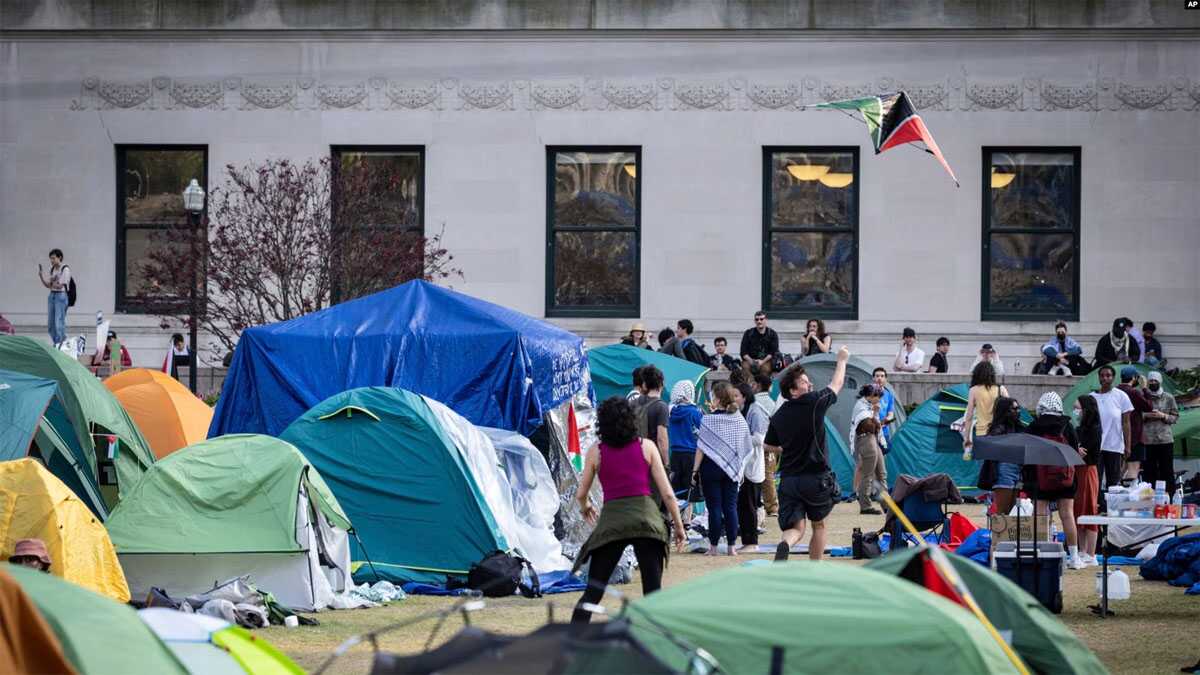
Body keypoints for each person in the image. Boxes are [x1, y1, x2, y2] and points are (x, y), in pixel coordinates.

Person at [571, 397, 685, 624]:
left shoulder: (596, 451)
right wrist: (679, 527)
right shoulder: (647, 447)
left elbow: (580, 494)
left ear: (601, 423)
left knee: (594, 591)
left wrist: (586, 507)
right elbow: (668, 494)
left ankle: (573, 642)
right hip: (647, 521)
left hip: (613, 522)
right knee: (653, 594)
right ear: (632, 420)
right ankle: (654, 643)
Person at [764, 345, 850, 562]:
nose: (810, 383)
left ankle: (785, 544)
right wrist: (841, 360)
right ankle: (814, 568)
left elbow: (768, 445)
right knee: (818, 525)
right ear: (793, 390)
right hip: (815, 478)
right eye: (804, 381)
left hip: (790, 480)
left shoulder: (779, 415)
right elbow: (837, 384)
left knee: (796, 527)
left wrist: (786, 447)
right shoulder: (813, 402)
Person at [691, 383, 754, 556]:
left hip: (710, 469)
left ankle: (713, 547)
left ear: (717, 399)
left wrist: (694, 471)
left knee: (714, 508)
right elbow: (746, 446)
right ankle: (732, 547)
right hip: (732, 469)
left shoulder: (708, 420)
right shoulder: (739, 419)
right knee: (731, 507)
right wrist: (740, 468)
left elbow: (701, 448)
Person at [1026, 392, 1085, 570]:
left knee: (1040, 515)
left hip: (1039, 477)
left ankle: (1040, 552)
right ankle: (1074, 557)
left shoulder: (1034, 426)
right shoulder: (1066, 425)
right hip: (1065, 477)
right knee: (1067, 515)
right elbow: (1074, 451)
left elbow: (1027, 452)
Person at [961, 361, 1010, 508]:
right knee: (1000, 469)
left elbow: (969, 416)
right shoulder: (1001, 389)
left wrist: (966, 438)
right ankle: (999, 499)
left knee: (986, 469)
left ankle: (989, 503)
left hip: (982, 434)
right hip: (1000, 434)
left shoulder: (974, 390)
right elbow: (1013, 408)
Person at [1091, 365, 1134, 501]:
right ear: (1098, 377)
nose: (1105, 378)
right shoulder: (1091, 397)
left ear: (1113, 378)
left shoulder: (1121, 396)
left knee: (1114, 483)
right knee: (1095, 481)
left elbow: (1126, 423)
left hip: (1114, 446)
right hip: (1096, 447)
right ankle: (1096, 508)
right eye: (1102, 375)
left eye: (1108, 375)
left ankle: (1112, 511)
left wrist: (1128, 446)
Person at [737, 382, 769, 550]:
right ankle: (746, 540)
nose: (734, 399)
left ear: (744, 396)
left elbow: (760, 439)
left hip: (752, 464)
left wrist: (739, 439)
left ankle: (752, 542)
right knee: (742, 504)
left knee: (749, 504)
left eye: (736, 396)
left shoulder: (755, 411)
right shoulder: (741, 410)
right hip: (742, 465)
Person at [1073, 394, 1103, 567]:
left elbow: (1085, 452)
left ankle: (1091, 553)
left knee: (1090, 510)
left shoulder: (1094, 428)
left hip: (1088, 471)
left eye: (1078, 408)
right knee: (1078, 511)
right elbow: (1077, 449)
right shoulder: (1079, 429)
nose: (1076, 411)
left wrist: (1077, 449)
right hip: (1079, 471)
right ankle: (1082, 550)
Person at [850, 384, 887, 514]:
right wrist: (876, 413)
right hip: (866, 440)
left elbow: (875, 427)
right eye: (879, 397)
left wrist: (876, 417)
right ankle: (865, 505)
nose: (880, 400)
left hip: (873, 440)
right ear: (871, 396)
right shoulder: (861, 407)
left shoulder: (868, 407)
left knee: (881, 473)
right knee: (868, 474)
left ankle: (886, 504)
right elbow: (870, 426)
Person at [1141, 371, 1179, 494]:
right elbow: (1135, 416)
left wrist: (1163, 415)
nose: (1152, 382)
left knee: (1167, 471)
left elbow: (1175, 417)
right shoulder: (1142, 396)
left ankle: (1170, 497)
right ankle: (1149, 499)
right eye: (1150, 380)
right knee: (1148, 471)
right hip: (1148, 440)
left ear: (1160, 381)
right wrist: (1146, 415)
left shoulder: (1168, 397)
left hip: (1165, 440)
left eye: (1155, 380)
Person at [667, 380, 705, 499]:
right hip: (691, 454)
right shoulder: (695, 412)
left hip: (675, 453)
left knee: (675, 487)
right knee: (690, 488)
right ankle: (688, 517)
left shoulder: (671, 412)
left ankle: (675, 515)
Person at [1117, 366, 1152, 481]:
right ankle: (1129, 494)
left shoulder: (1115, 391)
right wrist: (1145, 388)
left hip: (1118, 436)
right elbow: (1148, 406)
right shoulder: (1133, 392)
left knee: (1122, 468)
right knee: (1133, 468)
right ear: (1133, 377)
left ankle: (1116, 491)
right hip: (1135, 436)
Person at [753, 374, 780, 517]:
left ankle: (767, 504)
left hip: (756, 442)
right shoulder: (771, 402)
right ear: (770, 386)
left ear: (757, 385)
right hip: (770, 443)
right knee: (769, 474)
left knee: (762, 474)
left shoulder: (754, 402)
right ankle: (772, 506)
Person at [633, 366, 670, 466]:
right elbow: (662, 439)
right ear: (661, 384)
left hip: (635, 457)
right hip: (653, 460)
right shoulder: (661, 406)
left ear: (645, 384)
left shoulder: (634, 403)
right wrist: (666, 463)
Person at [37, 248, 71, 346]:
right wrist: (41, 276)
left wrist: (52, 283)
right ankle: (58, 343)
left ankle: (61, 343)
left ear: (59, 257)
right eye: (50, 259)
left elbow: (61, 286)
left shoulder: (65, 269)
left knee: (58, 322)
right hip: (52, 295)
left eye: (53, 258)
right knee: (51, 325)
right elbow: (49, 285)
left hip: (61, 296)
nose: (51, 261)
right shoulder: (52, 269)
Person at [740, 311, 780, 376]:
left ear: (765, 320)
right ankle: (751, 385)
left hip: (766, 360)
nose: (759, 321)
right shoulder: (748, 333)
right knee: (745, 367)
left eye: (761, 319)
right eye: (757, 319)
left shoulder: (772, 334)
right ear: (754, 321)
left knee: (765, 369)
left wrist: (762, 362)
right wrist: (752, 361)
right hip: (750, 360)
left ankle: (762, 385)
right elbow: (743, 352)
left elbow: (773, 352)